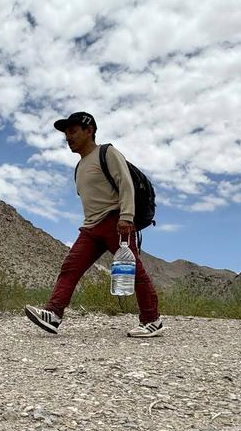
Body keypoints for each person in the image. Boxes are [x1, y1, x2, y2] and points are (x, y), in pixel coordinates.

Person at [25, 111, 164, 337]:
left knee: (132, 271)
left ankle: (152, 320)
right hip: (91, 227)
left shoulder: (106, 152)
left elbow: (125, 183)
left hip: (115, 222)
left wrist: (126, 217)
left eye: (73, 131)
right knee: (70, 268)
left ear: (89, 131)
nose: (68, 137)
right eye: (66, 133)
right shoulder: (79, 168)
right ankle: (53, 314)